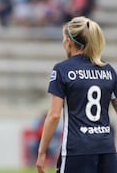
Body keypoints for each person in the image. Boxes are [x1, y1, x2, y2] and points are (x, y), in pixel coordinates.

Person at [36, 16, 117, 173]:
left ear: (69, 41)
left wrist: (42, 151)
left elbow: (54, 115)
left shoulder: (62, 69)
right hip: (106, 149)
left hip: (77, 149)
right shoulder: (109, 71)